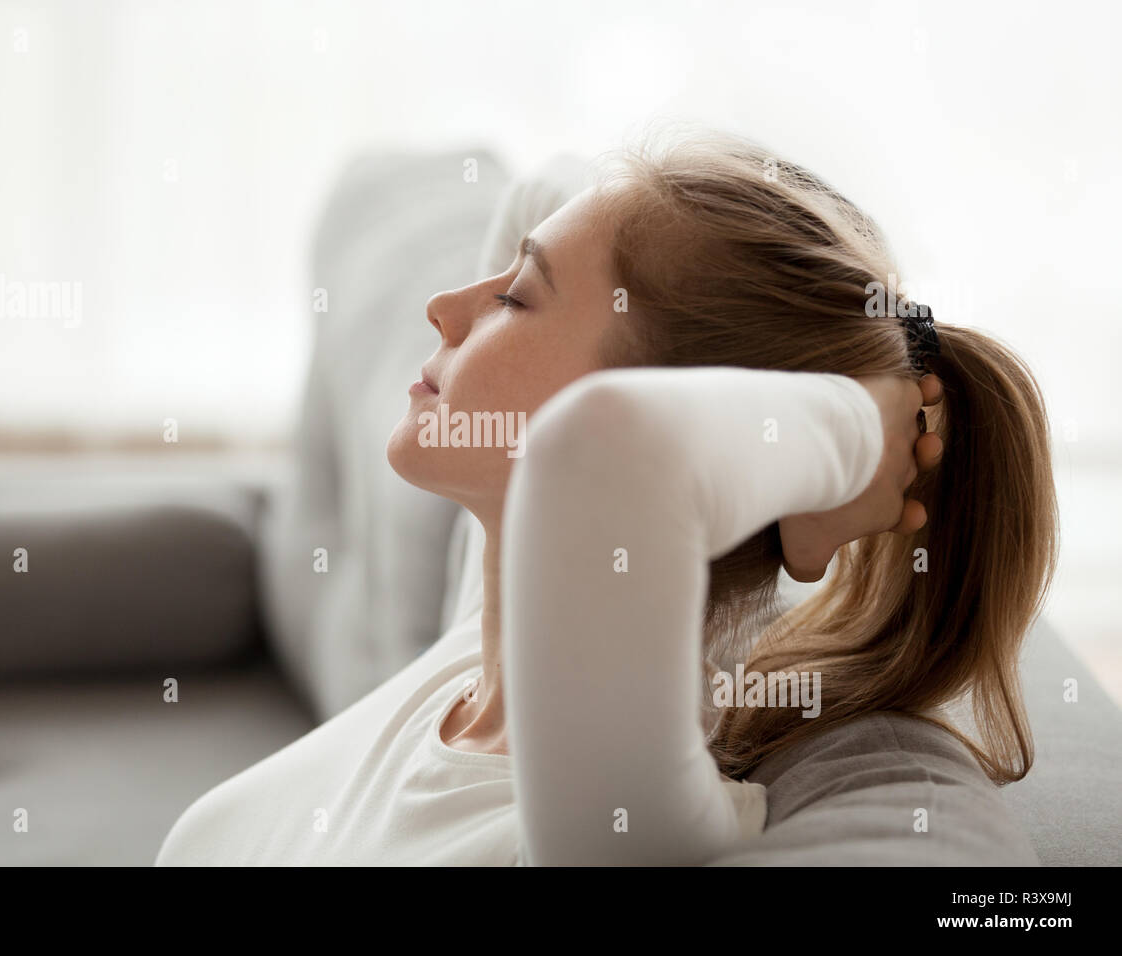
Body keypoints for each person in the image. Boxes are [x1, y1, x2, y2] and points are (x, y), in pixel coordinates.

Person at [155, 129, 1058, 866]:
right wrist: (876, 343)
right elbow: (542, 190)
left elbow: (605, 457)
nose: (444, 307)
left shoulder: (618, 814)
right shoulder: (485, 646)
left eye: (514, 296)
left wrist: (866, 431)